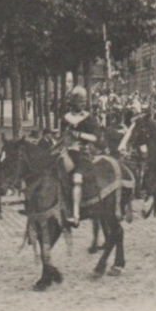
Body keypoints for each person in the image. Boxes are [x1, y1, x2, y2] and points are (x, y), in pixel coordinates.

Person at [59, 86, 101, 227]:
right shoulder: (65, 118)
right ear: (73, 101)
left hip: (82, 154)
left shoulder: (88, 118)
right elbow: (62, 136)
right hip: (67, 153)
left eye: (84, 101)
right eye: (80, 101)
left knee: (77, 178)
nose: (83, 104)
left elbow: (96, 137)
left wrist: (80, 135)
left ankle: (75, 215)